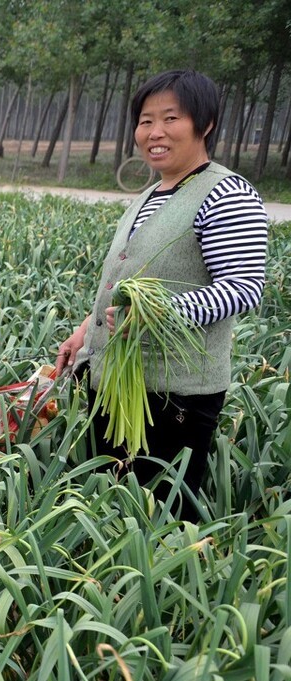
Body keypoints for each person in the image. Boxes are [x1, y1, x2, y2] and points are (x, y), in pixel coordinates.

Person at [54, 69, 267, 516]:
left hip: (175, 397)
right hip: (114, 382)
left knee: (159, 521)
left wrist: (157, 314)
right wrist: (84, 334)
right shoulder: (152, 193)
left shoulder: (226, 193)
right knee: (112, 511)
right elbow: (122, 281)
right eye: (145, 120)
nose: (155, 132)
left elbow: (244, 288)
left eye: (171, 118)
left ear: (204, 124)